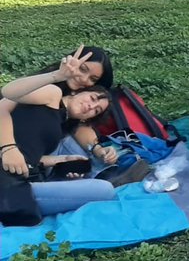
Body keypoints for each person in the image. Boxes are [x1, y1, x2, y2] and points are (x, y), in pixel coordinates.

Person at [0, 67, 117, 216]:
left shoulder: (61, 124)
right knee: (104, 190)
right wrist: (56, 75)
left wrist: (62, 160)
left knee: (103, 189)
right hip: (9, 175)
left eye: (96, 111)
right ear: (76, 92)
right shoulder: (53, 95)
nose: (91, 106)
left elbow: (29, 152)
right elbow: (9, 92)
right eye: (93, 98)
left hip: (23, 173)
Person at [1, 46, 120, 172]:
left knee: (79, 156)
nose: (84, 79)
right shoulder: (49, 88)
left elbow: (80, 126)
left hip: (29, 158)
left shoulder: (74, 103)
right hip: (8, 140)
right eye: (82, 69)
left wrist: (97, 149)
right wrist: (8, 148)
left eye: (93, 79)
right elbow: (4, 102)